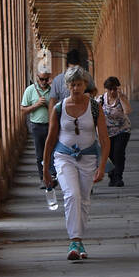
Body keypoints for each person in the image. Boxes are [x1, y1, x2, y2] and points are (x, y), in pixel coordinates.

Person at [43, 66, 109, 260]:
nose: (76, 88)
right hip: (64, 157)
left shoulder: (95, 107)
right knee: (72, 195)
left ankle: (79, 240)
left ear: (85, 85)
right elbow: (50, 139)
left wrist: (102, 166)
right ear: (67, 86)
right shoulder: (59, 108)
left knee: (84, 199)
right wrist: (45, 169)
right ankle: (75, 240)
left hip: (88, 158)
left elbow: (105, 140)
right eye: (72, 84)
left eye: (79, 84)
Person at [21, 58, 56, 190]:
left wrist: (49, 105)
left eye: (46, 79)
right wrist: (36, 105)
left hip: (51, 125)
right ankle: (43, 178)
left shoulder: (53, 90)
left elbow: (59, 107)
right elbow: (23, 109)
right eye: (41, 79)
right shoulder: (30, 90)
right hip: (36, 126)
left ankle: (52, 176)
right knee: (39, 154)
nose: (44, 82)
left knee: (53, 152)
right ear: (37, 77)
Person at [102, 77, 131, 186]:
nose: (112, 92)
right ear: (106, 89)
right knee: (109, 155)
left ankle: (118, 176)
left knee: (118, 152)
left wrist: (121, 98)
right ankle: (112, 176)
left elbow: (127, 111)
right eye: (110, 89)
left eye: (114, 89)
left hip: (122, 130)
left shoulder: (121, 98)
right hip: (107, 132)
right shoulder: (101, 99)